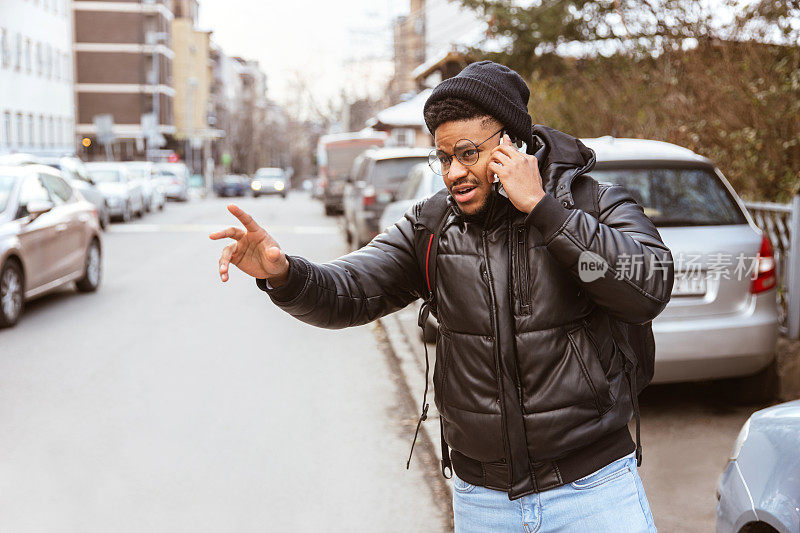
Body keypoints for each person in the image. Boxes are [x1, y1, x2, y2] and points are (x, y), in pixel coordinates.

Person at [210, 61, 673, 532]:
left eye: (468, 153)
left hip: (592, 489)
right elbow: (349, 290)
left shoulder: (590, 203)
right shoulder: (432, 228)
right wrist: (285, 275)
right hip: (484, 503)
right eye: (444, 157)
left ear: (513, 144)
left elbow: (647, 286)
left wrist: (545, 211)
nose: (453, 173)